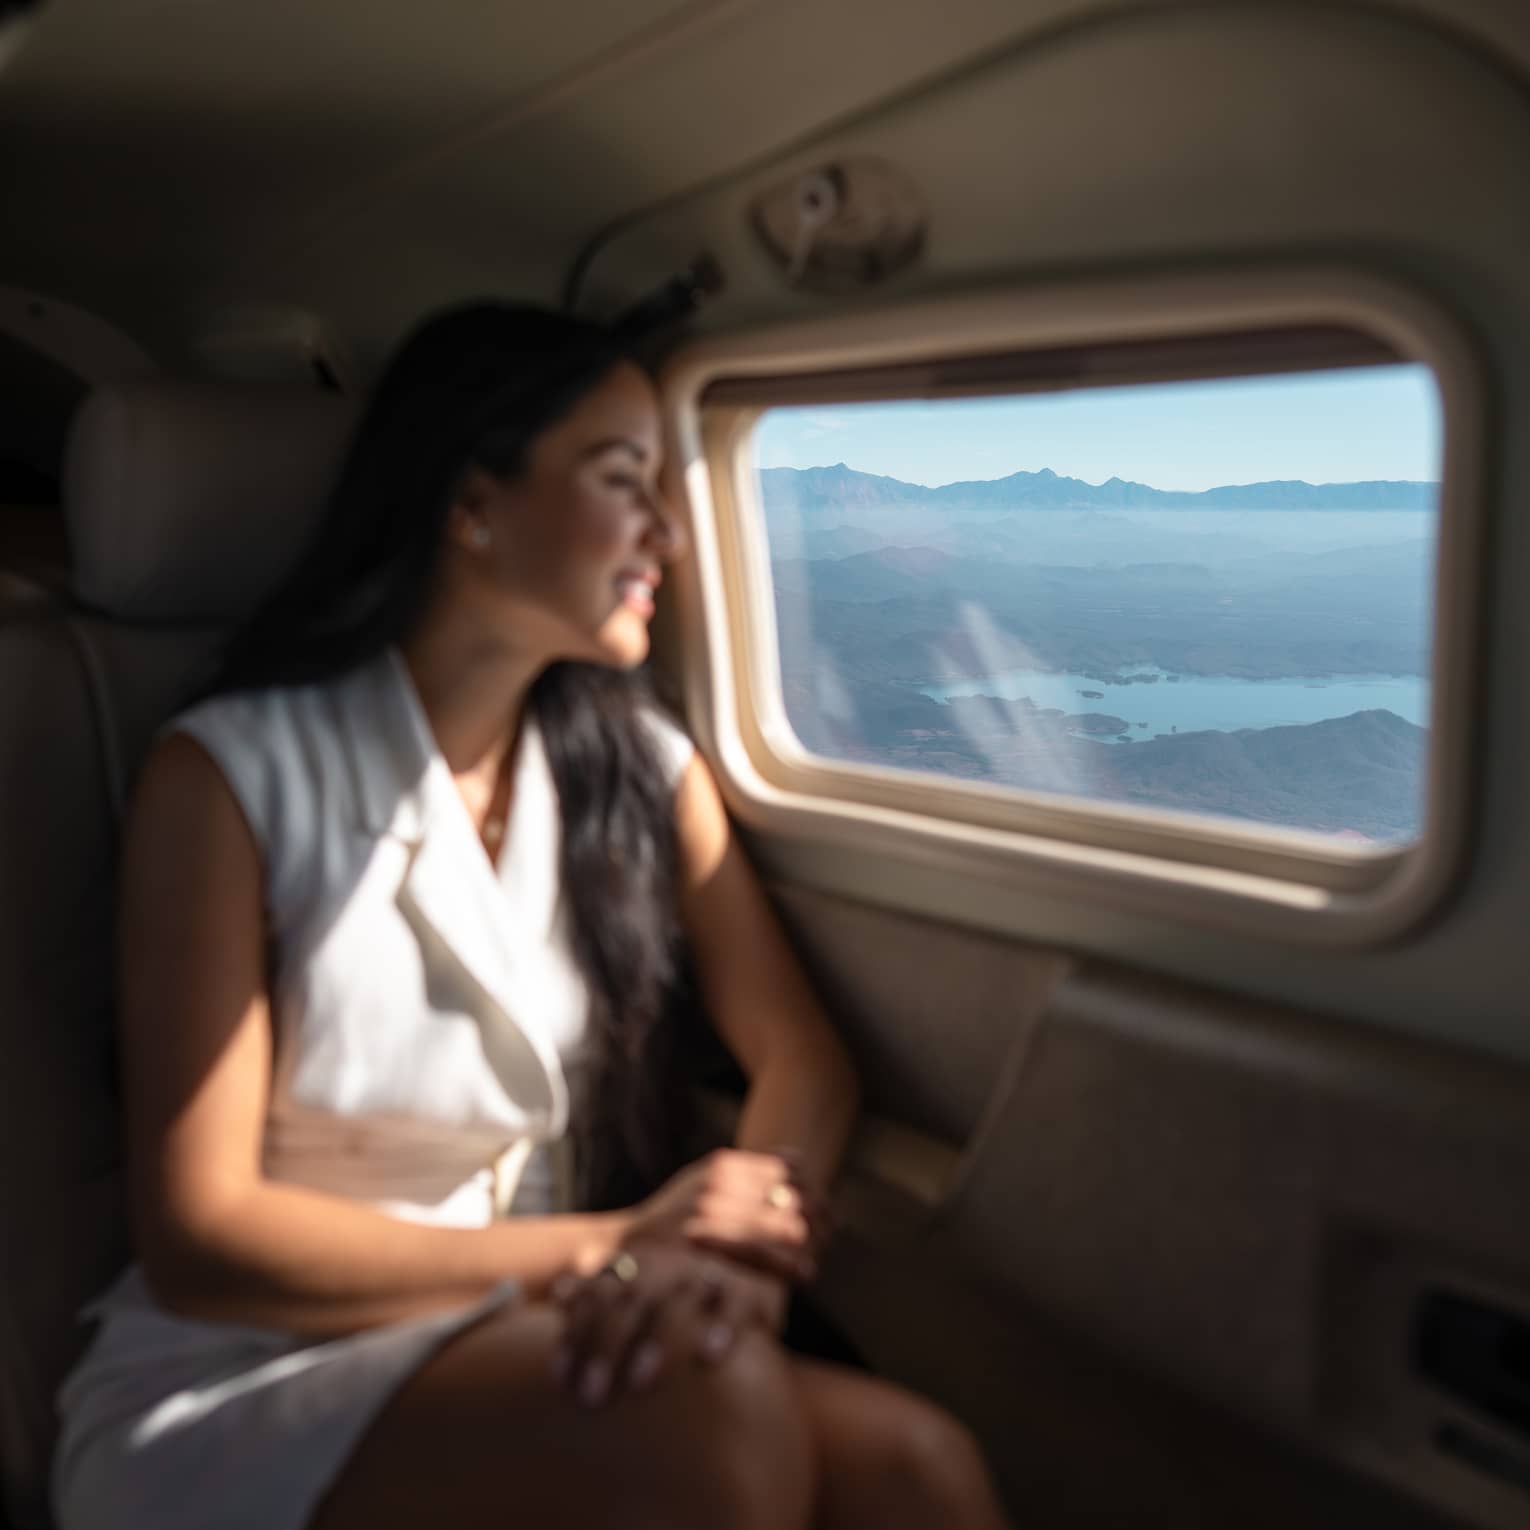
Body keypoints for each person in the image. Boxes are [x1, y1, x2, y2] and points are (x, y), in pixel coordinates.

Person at [50, 302, 1011, 1530]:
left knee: (917, 1468)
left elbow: (801, 1061)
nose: (669, 533)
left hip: (525, 1315)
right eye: (623, 480)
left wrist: (731, 1266)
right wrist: (617, 1246)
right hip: (250, 1364)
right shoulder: (229, 777)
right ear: (473, 504)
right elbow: (201, 1237)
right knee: (707, 1413)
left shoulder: (640, 772)